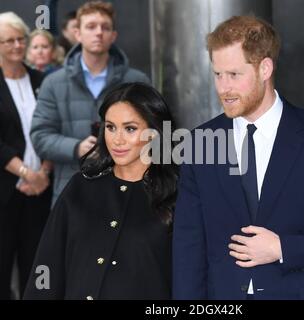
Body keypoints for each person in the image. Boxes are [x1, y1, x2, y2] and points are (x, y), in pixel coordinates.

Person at [172, 16, 304, 300]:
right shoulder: (200, 142)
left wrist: (283, 248)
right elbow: (188, 245)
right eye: (217, 75)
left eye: (234, 75)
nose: (223, 88)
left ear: (265, 68)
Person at [24, 82, 178, 300]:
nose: (117, 139)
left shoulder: (178, 194)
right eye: (110, 127)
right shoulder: (81, 186)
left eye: (130, 128)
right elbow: (48, 263)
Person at [30, 1, 151, 205]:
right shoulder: (53, 82)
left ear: (113, 35)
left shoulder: (137, 82)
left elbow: (153, 135)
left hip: (126, 193)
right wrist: (77, 148)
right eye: (91, 26)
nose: (98, 33)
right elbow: (40, 136)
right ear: (77, 33)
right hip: (70, 193)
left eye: (105, 27)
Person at [0, 12, 52, 299]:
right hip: (5, 191)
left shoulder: (41, 79)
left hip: (40, 189)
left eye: (21, 39)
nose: (18, 45)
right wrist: (25, 173)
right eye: (9, 41)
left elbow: (52, 127)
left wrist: (42, 172)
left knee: (37, 265)